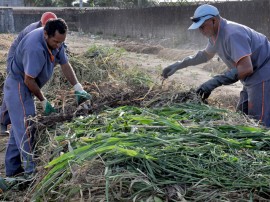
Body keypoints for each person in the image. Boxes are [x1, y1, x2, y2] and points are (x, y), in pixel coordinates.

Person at [3, 18, 91, 178]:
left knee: (19, 129)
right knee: (27, 127)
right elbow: (28, 80)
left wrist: (78, 87)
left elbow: (65, 63)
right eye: (56, 42)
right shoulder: (34, 48)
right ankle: (31, 174)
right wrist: (43, 100)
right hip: (17, 85)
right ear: (45, 34)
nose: (59, 46)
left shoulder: (56, 42)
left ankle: (12, 171)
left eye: (61, 42)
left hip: (26, 85)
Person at [162, 4, 270, 127]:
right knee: (242, 116)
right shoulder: (215, 35)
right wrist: (180, 64)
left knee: (259, 123)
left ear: (214, 20)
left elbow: (246, 68)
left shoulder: (232, 34)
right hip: (251, 78)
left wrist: (215, 82)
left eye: (202, 27)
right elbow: (205, 55)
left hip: (264, 73)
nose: (201, 31)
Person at [0, 12, 57, 135]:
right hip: (17, 58)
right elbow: (26, 51)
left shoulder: (53, 33)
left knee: (27, 87)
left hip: (28, 57)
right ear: (42, 24)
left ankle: (19, 120)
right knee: (14, 89)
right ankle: (2, 122)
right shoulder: (33, 31)